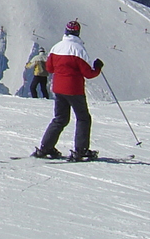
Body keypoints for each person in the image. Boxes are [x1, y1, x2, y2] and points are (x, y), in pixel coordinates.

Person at [32, 20, 104, 160]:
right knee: (83, 118)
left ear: (65, 31)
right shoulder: (79, 49)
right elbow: (89, 74)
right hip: (74, 89)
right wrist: (98, 67)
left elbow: (50, 68)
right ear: (78, 32)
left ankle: (45, 148)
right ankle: (81, 150)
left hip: (58, 89)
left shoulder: (56, 47)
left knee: (60, 118)